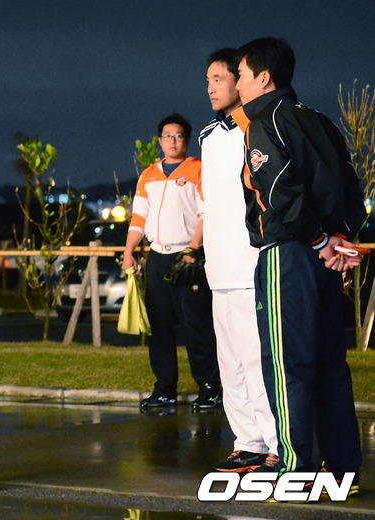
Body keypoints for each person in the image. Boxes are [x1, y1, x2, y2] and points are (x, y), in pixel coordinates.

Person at [234, 37, 365, 488]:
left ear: (263, 78)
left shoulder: (264, 122)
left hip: (290, 254)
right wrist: (339, 237)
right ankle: (343, 470)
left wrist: (318, 240)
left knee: (288, 364)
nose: (238, 84)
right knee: (330, 363)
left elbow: (279, 192)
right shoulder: (319, 119)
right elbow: (352, 186)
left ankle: (296, 469)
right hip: (325, 258)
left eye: (241, 75)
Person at [199, 48, 278, 473]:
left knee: (256, 357)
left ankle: (276, 443)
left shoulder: (258, 129)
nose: (212, 87)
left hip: (250, 263)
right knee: (229, 362)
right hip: (219, 268)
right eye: (208, 80)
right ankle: (247, 441)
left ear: (240, 80)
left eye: (219, 78)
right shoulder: (208, 137)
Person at [122, 113, 221, 409]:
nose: (172, 141)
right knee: (159, 327)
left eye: (178, 136)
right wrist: (128, 252)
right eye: (167, 136)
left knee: (196, 326)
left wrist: (193, 248)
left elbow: (207, 213)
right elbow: (138, 218)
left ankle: (210, 388)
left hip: (187, 257)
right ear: (160, 140)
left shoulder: (197, 170)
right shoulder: (148, 175)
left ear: (186, 141)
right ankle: (165, 389)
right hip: (157, 257)